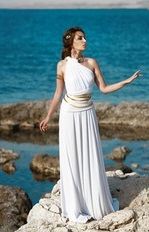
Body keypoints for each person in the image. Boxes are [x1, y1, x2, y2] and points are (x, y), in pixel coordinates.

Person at [39, 26, 142, 223]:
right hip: (69, 113)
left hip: (87, 113)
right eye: (80, 38)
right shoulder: (62, 65)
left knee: (90, 155)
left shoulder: (92, 62)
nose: (85, 40)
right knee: (72, 158)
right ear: (71, 42)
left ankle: (93, 202)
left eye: (85, 37)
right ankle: (76, 206)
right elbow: (57, 94)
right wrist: (48, 116)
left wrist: (127, 81)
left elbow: (103, 88)